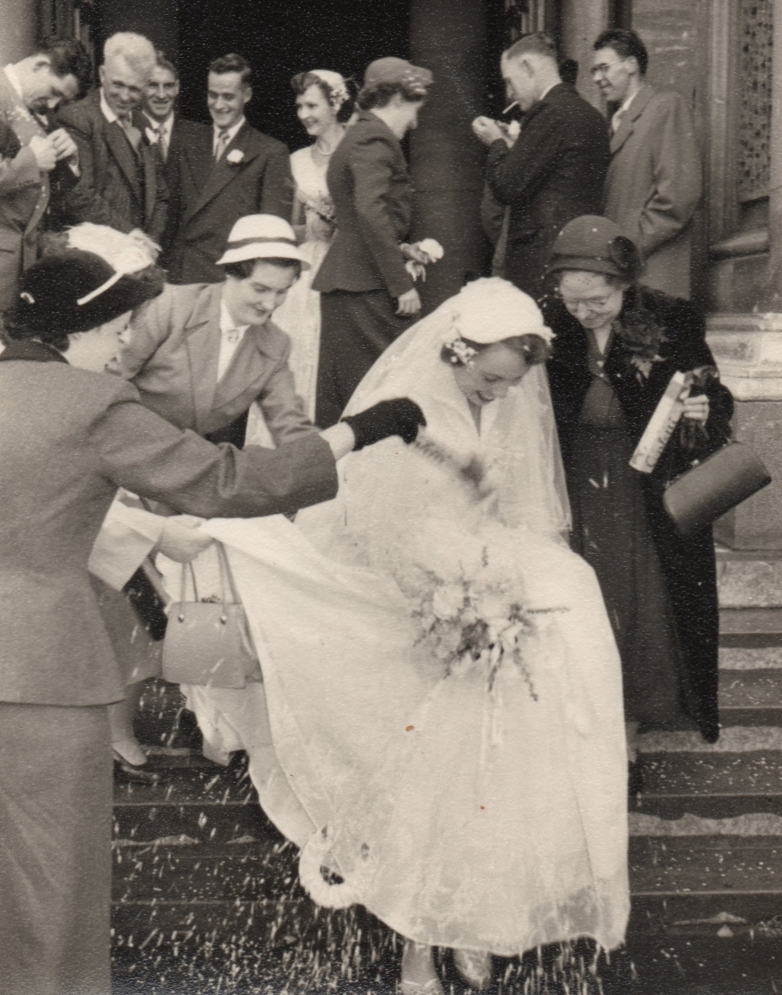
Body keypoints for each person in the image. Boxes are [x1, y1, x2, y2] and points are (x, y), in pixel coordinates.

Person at [0, 236, 424, 995]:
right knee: (51, 881)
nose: (130, 339)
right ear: (84, 328)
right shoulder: (93, 402)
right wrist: (360, 429)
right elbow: (226, 480)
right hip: (38, 676)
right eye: (121, 325)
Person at [181, 278, 629, 993]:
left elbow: (500, 508)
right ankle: (419, 938)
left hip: (469, 589)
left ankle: (475, 921)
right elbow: (365, 514)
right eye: (489, 380)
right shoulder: (407, 408)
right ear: (457, 350)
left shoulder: (497, 405)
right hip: (405, 600)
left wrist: (491, 580)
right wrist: (437, 592)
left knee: (494, 761)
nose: (499, 397)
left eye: (510, 386)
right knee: (423, 783)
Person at [543, 216, 734, 777]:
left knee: (637, 602)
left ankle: (624, 732)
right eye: (573, 302)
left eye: (596, 301)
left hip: (644, 491)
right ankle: (578, 718)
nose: (583, 313)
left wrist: (704, 411)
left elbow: (713, 395)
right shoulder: (549, 322)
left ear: (623, 284)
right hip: (573, 481)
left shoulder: (671, 318)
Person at [313, 56, 440, 428]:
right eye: (415, 108)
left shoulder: (357, 135)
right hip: (366, 286)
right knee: (387, 387)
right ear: (398, 99)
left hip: (352, 279)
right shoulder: (374, 138)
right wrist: (400, 283)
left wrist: (400, 248)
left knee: (352, 394)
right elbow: (369, 212)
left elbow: (357, 217)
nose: (415, 121)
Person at [472, 34, 609, 301]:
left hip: (541, 264)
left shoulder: (548, 113)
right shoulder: (591, 116)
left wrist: (497, 143)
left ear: (528, 67)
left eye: (510, 81)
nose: (509, 93)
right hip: (579, 259)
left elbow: (507, 186)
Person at [263, 69, 351, 420]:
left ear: (335, 104)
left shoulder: (358, 152)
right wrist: (312, 229)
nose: (304, 115)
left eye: (312, 105)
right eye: (299, 106)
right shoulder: (296, 161)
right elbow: (289, 229)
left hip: (345, 266)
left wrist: (341, 228)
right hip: (304, 273)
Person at [592, 28, 702, 299]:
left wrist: (626, 249)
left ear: (631, 65)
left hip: (654, 275)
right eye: (594, 71)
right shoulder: (618, 122)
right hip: (626, 276)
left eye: (604, 68)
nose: (597, 78)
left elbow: (677, 197)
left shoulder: (666, 106)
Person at [168, 53, 293, 285]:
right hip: (181, 276)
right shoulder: (187, 141)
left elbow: (270, 237)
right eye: (212, 95)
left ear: (246, 95)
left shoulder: (270, 152)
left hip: (229, 279)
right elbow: (171, 212)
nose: (218, 105)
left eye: (228, 97)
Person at [57, 32, 167, 261]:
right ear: (103, 74)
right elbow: (78, 196)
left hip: (139, 256)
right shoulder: (78, 118)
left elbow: (160, 195)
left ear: (146, 86)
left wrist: (150, 243)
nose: (125, 96)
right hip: (94, 258)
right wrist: (132, 235)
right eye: (118, 84)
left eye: (135, 89)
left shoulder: (143, 122)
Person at [0, 36, 89, 310]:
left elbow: (40, 191)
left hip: (17, 265)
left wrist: (68, 161)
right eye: (54, 92)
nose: (52, 106)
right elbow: (28, 167)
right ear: (40, 65)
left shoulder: (34, 108)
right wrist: (30, 161)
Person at [137, 50, 203, 266]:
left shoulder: (201, 137)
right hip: (140, 254)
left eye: (168, 86)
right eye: (152, 85)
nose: (161, 94)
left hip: (188, 259)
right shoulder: (125, 133)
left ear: (178, 88)